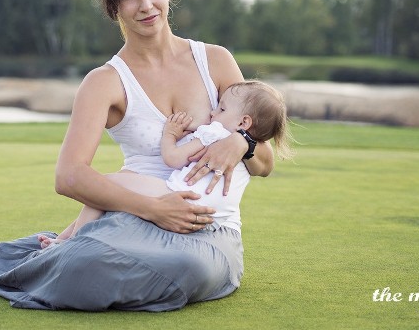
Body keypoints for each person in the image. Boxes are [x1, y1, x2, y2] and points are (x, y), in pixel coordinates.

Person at [0, 0, 275, 311]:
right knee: (85, 266)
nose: (146, 5)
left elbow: (265, 164)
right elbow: (69, 177)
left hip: (207, 228)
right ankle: (64, 254)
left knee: (187, 264)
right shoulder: (104, 82)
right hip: (134, 217)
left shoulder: (216, 61)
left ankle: (66, 253)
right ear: (113, 7)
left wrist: (242, 143)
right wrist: (153, 209)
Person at [38, 80, 292, 248]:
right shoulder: (243, 144)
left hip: (178, 196)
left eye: (222, 109)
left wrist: (170, 134)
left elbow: (173, 158)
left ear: (244, 122)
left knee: (106, 185)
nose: (214, 113)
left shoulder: (214, 133)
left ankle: (65, 244)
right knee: (110, 196)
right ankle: (65, 240)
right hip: (212, 216)